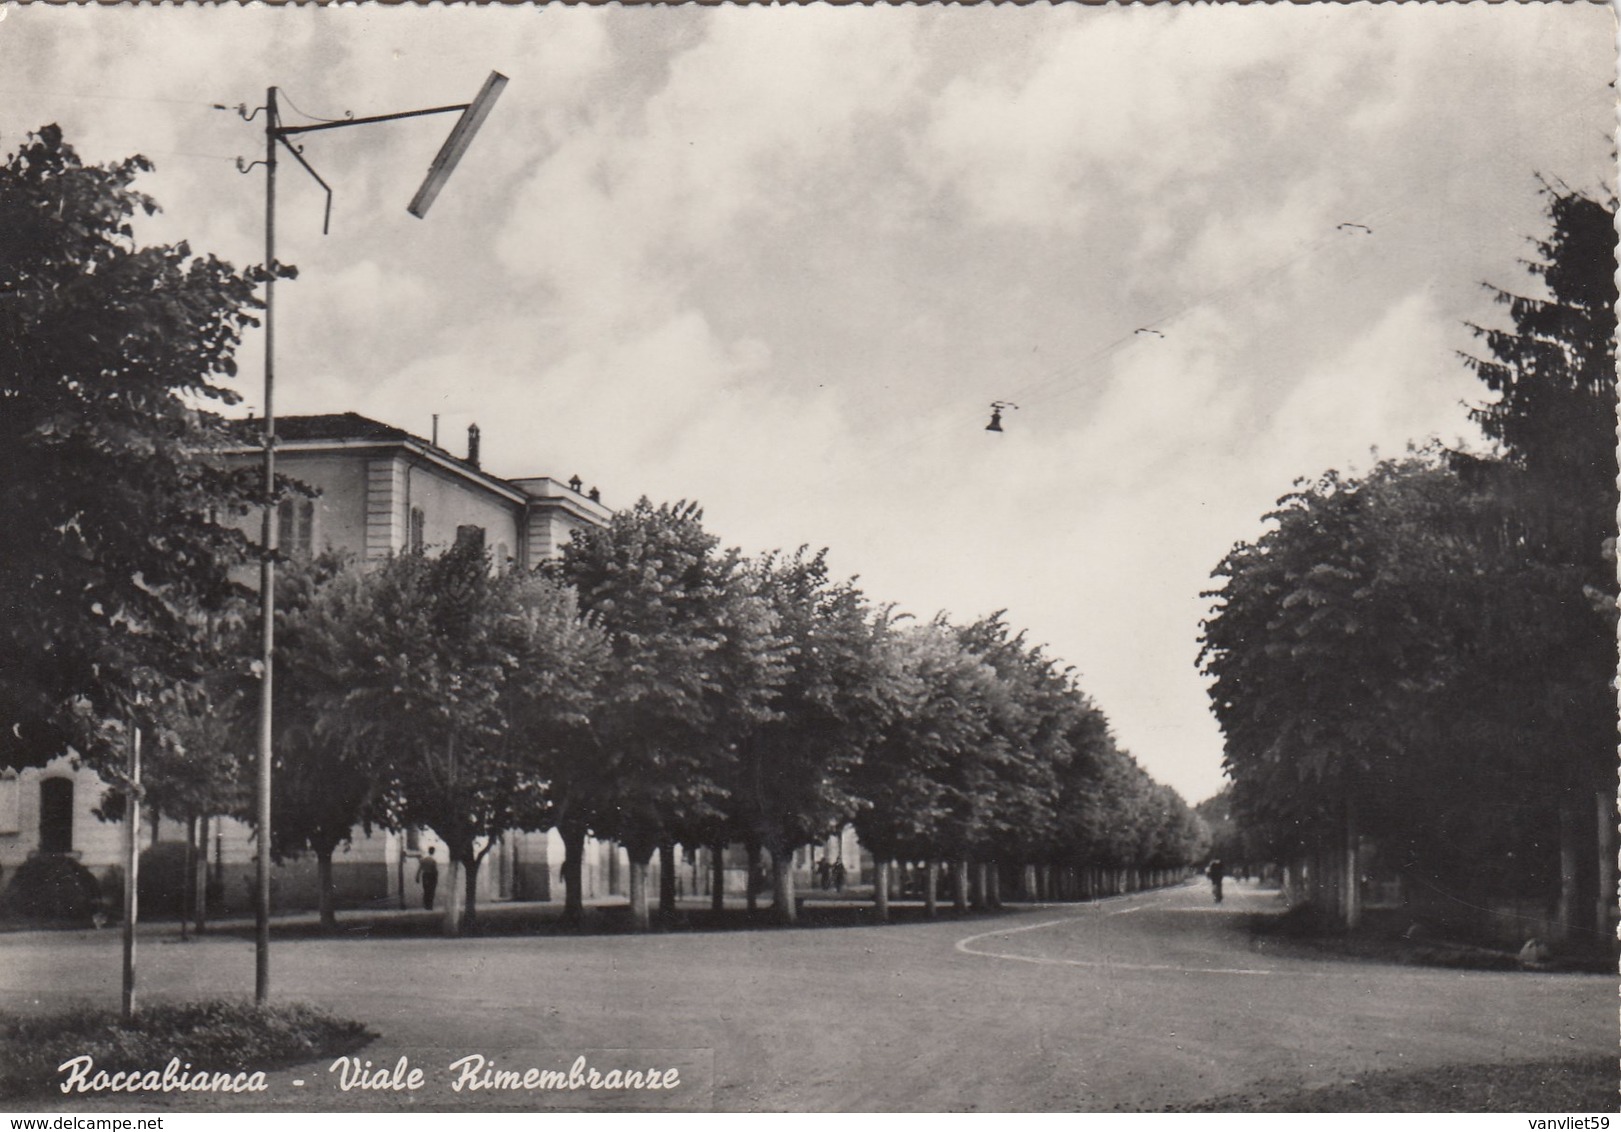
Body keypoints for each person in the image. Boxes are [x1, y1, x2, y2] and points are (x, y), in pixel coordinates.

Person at [417, 846, 440, 911]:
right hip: (431, 876)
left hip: (425, 876)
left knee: (426, 890)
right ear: (433, 851)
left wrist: (417, 877)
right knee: (431, 891)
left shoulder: (424, 859)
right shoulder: (433, 860)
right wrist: (436, 878)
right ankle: (430, 905)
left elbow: (419, 868)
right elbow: (435, 870)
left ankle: (426, 905)